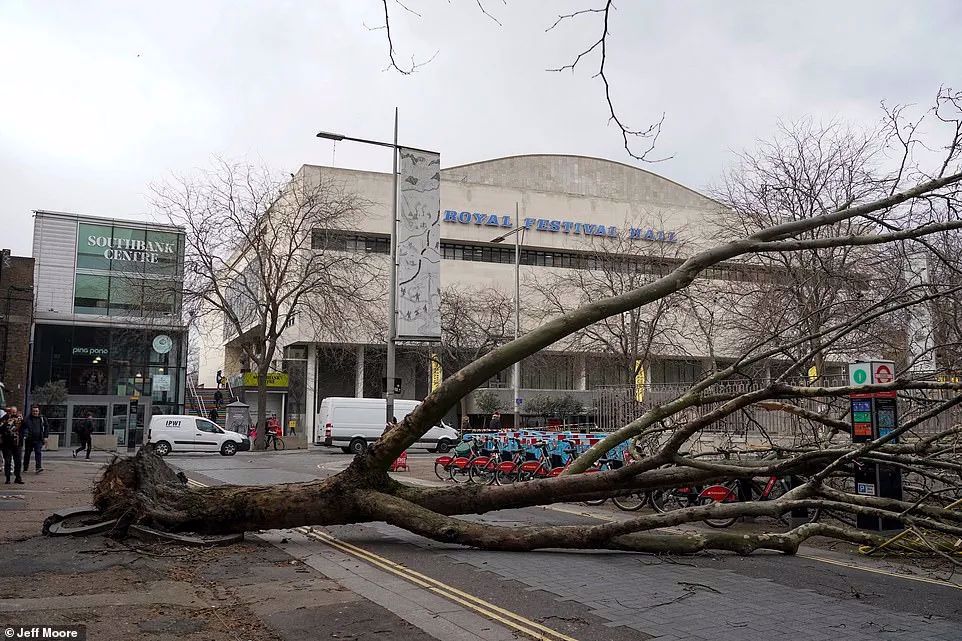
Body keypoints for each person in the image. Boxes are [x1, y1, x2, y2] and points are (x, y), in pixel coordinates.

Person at [0, 407, 24, 484]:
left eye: (14, 412)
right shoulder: (4, 418)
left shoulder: (20, 419)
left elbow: (25, 427)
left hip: (17, 444)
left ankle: (18, 477)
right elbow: (1, 428)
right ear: (9, 412)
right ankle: (8, 478)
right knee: (8, 461)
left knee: (18, 461)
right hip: (7, 444)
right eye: (11, 412)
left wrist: (24, 434)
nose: (13, 414)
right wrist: (7, 423)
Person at [22, 405, 48, 474]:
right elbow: (23, 427)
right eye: (33, 411)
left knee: (38, 452)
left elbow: (46, 427)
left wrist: (45, 437)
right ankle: (25, 467)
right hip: (29, 439)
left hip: (39, 439)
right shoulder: (27, 418)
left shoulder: (42, 418)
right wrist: (25, 434)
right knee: (27, 454)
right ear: (31, 411)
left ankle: (38, 467)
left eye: (36, 411)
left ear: (39, 411)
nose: (35, 412)